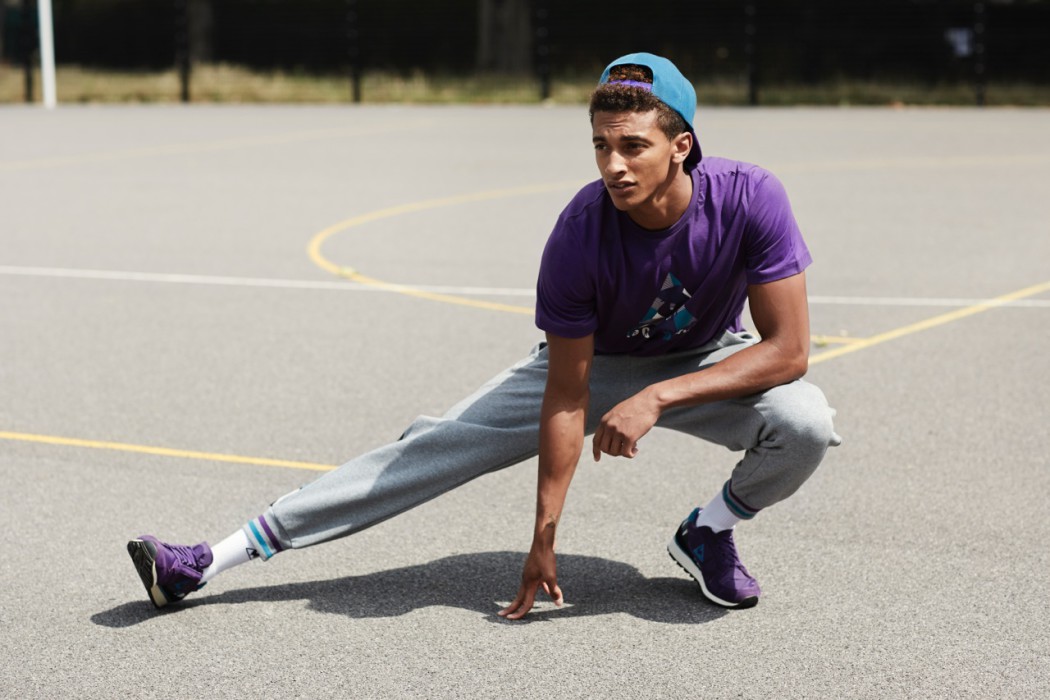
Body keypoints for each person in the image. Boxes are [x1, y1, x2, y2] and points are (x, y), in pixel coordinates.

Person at [128, 52, 840, 617]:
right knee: (428, 452)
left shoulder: (751, 198)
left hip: (702, 360)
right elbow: (568, 395)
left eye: (633, 146)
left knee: (805, 423)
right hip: (593, 366)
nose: (613, 166)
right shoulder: (579, 233)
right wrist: (543, 537)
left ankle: (708, 530)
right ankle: (205, 562)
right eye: (600, 146)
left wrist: (657, 398)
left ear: (681, 146)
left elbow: (788, 350)